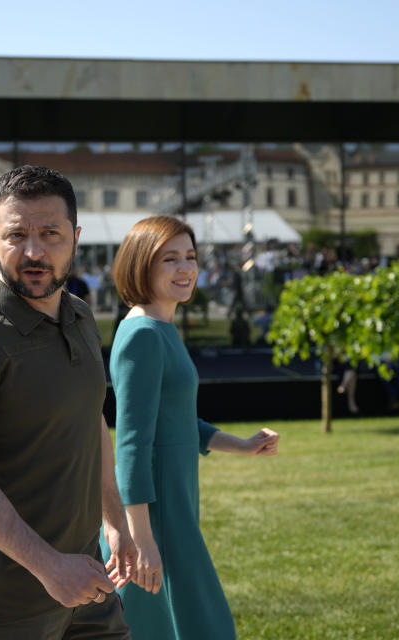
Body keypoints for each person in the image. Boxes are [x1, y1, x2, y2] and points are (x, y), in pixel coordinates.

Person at [0, 166, 134, 640]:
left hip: (86, 582)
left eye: (50, 233)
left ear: (75, 238)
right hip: (3, 603)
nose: (34, 251)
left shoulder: (79, 317)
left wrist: (113, 520)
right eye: (16, 234)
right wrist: (50, 567)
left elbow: (89, 415)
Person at [103, 215, 280, 640]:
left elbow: (179, 421)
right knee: (202, 624)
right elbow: (131, 444)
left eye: (191, 257)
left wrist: (244, 445)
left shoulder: (162, 327)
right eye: (170, 259)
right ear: (141, 265)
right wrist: (141, 539)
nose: (185, 269)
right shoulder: (143, 334)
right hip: (156, 513)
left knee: (169, 625)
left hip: (174, 503)